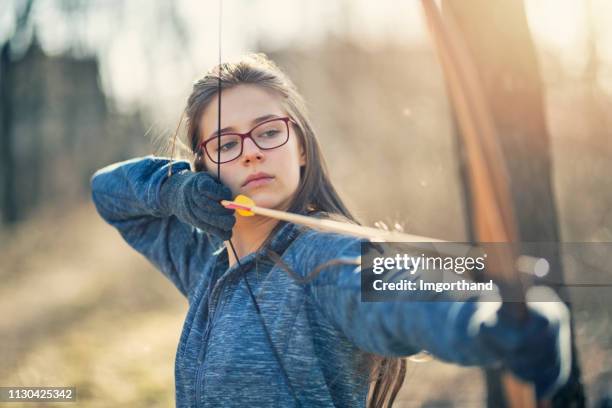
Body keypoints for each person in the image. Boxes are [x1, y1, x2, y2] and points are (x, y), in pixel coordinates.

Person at [90, 53, 571, 407]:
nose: (252, 152)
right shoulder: (206, 266)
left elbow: (398, 292)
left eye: (269, 131)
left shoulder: (324, 258)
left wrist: (488, 324)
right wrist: (174, 190)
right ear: (204, 167)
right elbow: (109, 194)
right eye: (225, 143)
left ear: (301, 147)